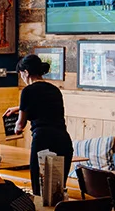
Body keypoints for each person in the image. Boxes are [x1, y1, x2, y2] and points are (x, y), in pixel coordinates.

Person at [4, 54, 72, 196]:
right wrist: (18, 108)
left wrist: (15, 127)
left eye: (21, 74)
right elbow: (44, 106)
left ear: (26, 72)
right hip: (63, 140)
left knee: (39, 188)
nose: (22, 77)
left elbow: (20, 125)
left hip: (43, 140)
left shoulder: (27, 91)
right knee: (57, 189)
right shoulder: (54, 90)